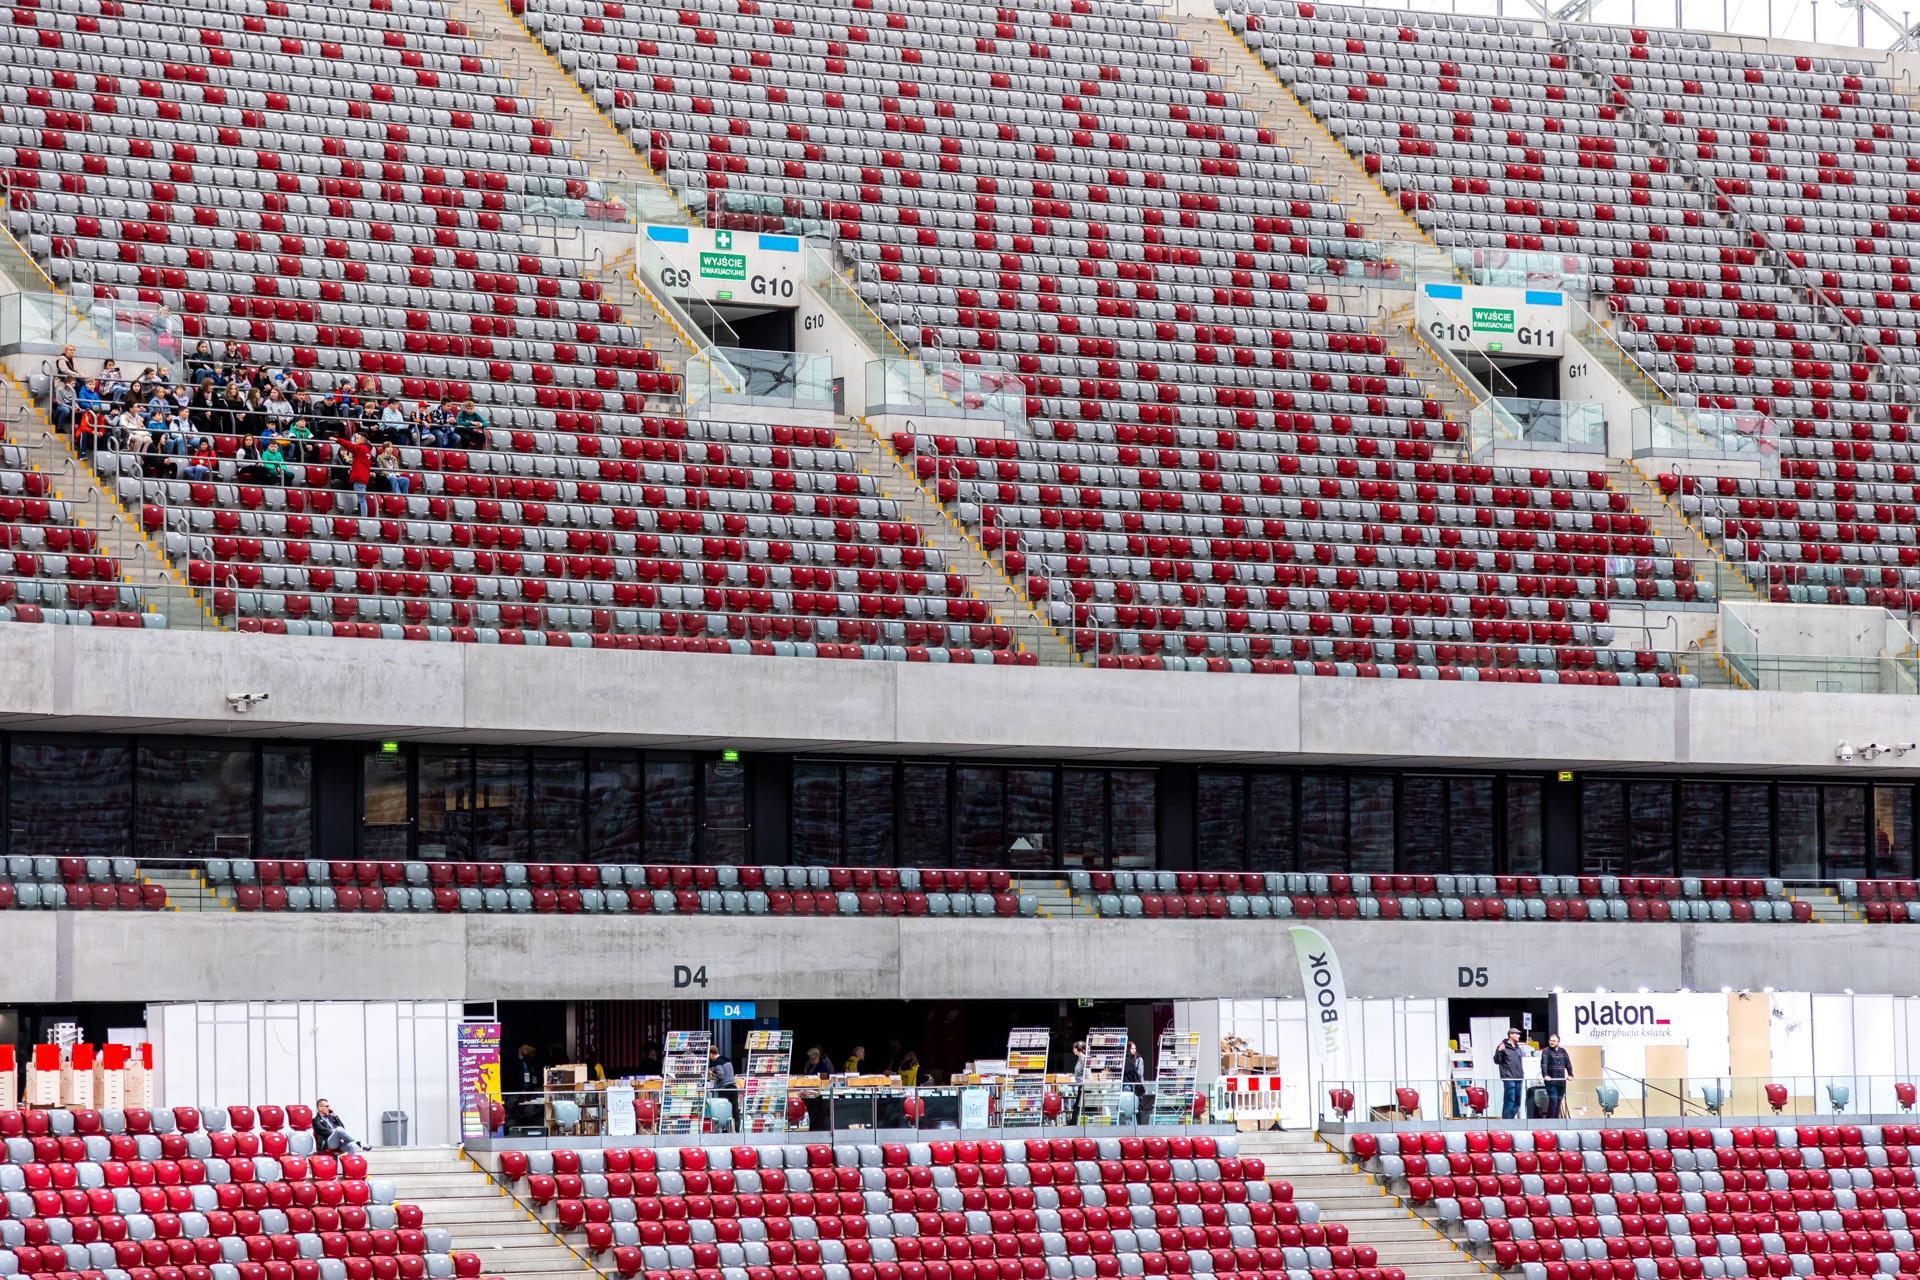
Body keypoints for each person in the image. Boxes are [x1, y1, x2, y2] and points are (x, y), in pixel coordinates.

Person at [1494, 1028, 1528, 1119]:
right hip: (1508, 1077)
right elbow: (1497, 1061)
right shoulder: (1503, 1045)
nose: (1519, 1036)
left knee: (1517, 1101)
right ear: (1511, 1035)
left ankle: (1510, 1118)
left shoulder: (1517, 1047)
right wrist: (1499, 1051)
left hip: (1519, 1077)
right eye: (1517, 1034)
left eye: (1519, 1034)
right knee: (1510, 1100)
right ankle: (1507, 1120)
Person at [1540, 1033, 1572, 1118]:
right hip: (1551, 1081)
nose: (1551, 1042)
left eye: (1554, 1041)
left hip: (1561, 1081)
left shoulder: (1563, 1051)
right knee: (1553, 1100)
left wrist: (1570, 1074)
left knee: (1559, 1101)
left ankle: (1556, 1120)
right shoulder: (1546, 1051)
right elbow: (1544, 1064)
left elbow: (1568, 1063)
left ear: (1558, 1042)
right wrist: (1545, 1075)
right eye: (1550, 1040)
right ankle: (1550, 1120)